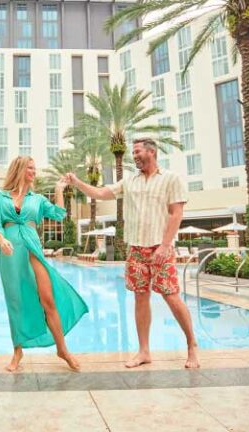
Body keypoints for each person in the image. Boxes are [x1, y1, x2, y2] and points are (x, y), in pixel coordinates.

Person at [66, 137, 200, 369]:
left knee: (171, 295)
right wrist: (77, 182)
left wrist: (165, 245)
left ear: (152, 152)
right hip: (136, 248)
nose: (134, 155)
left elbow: (176, 214)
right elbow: (100, 193)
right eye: (133, 152)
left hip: (161, 247)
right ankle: (144, 351)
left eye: (137, 151)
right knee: (140, 297)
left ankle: (192, 346)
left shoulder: (170, 179)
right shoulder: (129, 181)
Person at [0, 156, 89, 372]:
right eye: (30, 168)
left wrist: (59, 190)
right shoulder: (0, 197)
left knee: (48, 300)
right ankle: (18, 352)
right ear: (19, 169)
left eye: (35, 168)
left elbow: (59, 214)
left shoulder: (37, 199)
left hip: (32, 249)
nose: (34, 172)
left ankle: (62, 349)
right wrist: (1, 239)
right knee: (15, 302)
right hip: (9, 253)